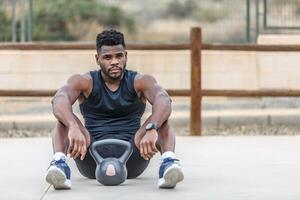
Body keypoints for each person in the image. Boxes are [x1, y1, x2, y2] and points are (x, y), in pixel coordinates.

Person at [45, 29, 184, 189]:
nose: (114, 61)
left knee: (161, 121)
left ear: (126, 56)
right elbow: (59, 99)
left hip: (134, 155)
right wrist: (73, 126)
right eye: (107, 57)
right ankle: (59, 165)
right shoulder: (85, 82)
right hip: (90, 157)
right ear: (97, 59)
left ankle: (168, 163)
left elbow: (164, 99)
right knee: (63, 121)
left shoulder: (139, 81)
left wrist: (152, 128)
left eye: (119, 56)